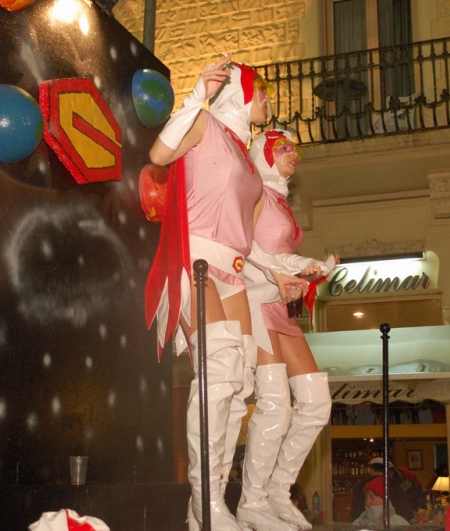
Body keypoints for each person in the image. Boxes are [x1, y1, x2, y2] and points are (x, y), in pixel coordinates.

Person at [145, 56, 309, 531]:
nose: (269, 101)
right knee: (217, 374)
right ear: (241, 88)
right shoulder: (206, 125)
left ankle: (209, 504)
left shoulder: (246, 155)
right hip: (195, 259)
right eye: (263, 91)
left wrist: (275, 274)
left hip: (234, 268)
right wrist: (197, 96)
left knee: (239, 386)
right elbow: (159, 155)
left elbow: (249, 237)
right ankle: (206, 502)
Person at [236, 130, 336, 531]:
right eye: (282, 147)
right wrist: (282, 271)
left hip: (280, 305)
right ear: (262, 153)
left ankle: (277, 490)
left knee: (316, 404)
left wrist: (311, 267)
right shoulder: (256, 191)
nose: (292, 154)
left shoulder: (277, 196)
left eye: (294, 148)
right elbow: (241, 243)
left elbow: (278, 254)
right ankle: (253, 500)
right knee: (276, 403)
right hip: (257, 301)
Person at [350, 456, 428, 523]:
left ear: (371, 470)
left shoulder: (359, 486)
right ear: (389, 472)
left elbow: (354, 512)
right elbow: (404, 509)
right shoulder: (395, 486)